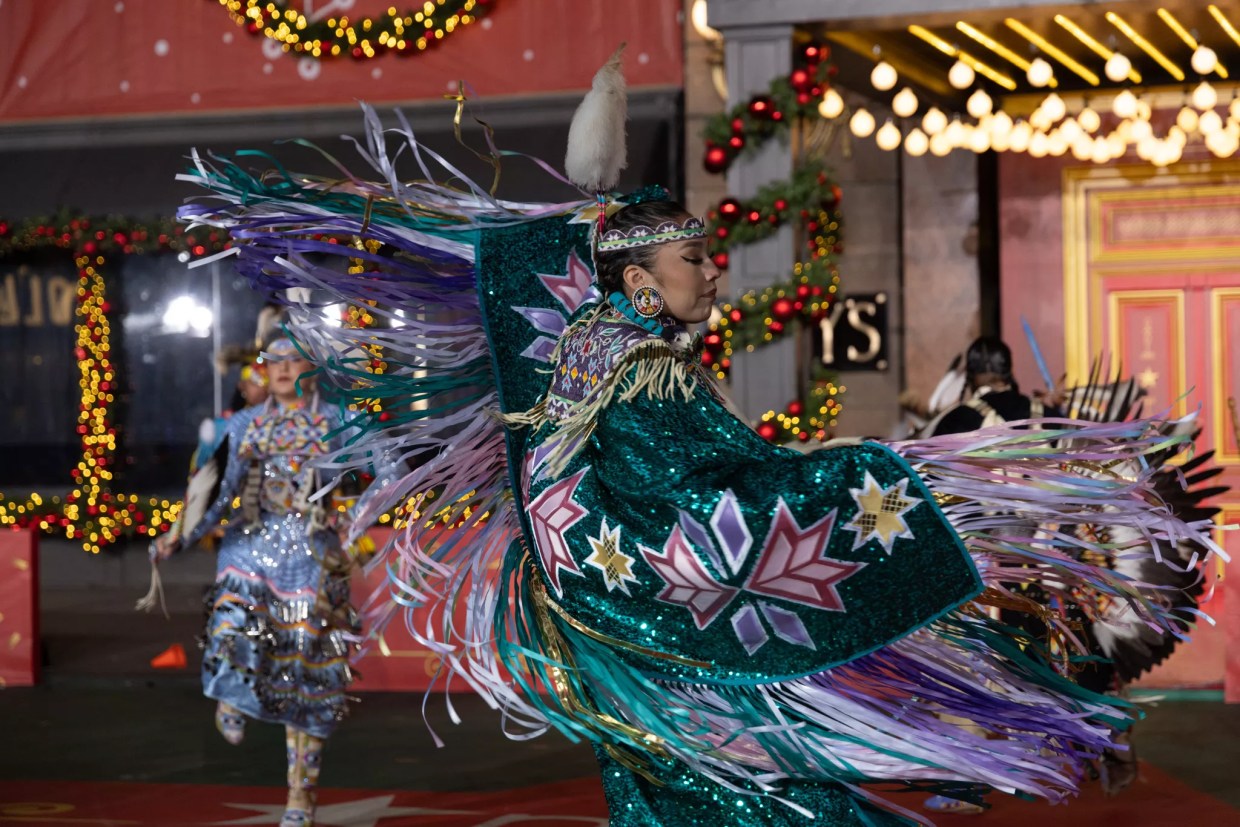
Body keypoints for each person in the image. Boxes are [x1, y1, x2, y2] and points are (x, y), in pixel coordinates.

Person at [175, 51, 1223, 826]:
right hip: (673, 636)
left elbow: (708, 474)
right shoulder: (624, 367)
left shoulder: (619, 358)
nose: (714, 271)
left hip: (662, 651)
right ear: (637, 280)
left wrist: (821, 478)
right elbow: (678, 503)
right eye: (694, 260)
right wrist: (867, 479)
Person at [153, 332, 359, 827]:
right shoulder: (245, 424)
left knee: (304, 678)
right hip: (251, 544)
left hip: (312, 558)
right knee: (232, 618)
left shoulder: (340, 421)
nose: (283, 368)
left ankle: (300, 795)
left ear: (312, 367)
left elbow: (388, 471)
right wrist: (179, 535)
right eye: (274, 360)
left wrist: (361, 518)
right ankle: (230, 694)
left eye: (294, 359)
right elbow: (215, 487)